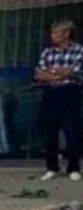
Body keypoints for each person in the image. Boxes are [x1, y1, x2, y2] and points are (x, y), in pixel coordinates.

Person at [34, 20, 83, 181]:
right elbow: (39, 74)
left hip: (70, 92)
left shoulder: (78, 50)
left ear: (66, 34)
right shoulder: (47, 52)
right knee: (50, 130)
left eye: (56, 32)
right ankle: (52, 167)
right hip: (51, 93)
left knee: (72, 130)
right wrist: (60, 74)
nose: (52, 36)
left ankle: (73, 168)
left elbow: (74, 72)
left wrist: (52, 72)